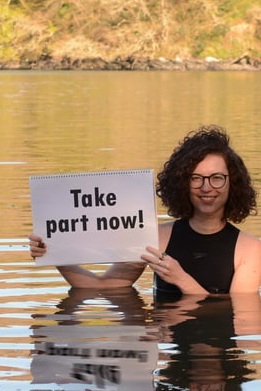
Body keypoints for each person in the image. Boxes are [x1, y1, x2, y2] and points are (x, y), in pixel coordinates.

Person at [28, 125, 261, 295]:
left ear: (233, 183)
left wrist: (181, 279)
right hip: (170, 355)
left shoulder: (251, 249)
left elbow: (237, 314)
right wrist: (55, 252)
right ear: (182, 182)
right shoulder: (155, 238)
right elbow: (101, 286)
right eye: (196, 178)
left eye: (217, 178)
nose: (206, 187)